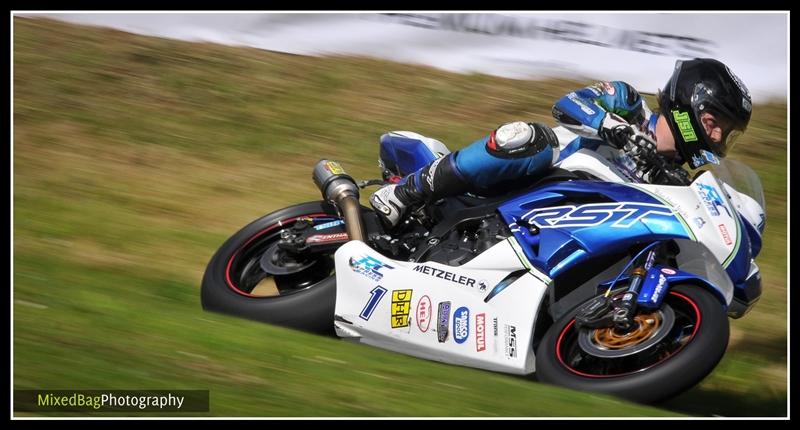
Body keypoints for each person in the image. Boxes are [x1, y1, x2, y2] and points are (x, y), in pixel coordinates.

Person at [370, 58, 753, 228]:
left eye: (727, 132)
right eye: (713, 123)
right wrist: (611, 126)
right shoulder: (626, 101)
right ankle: (406, 193)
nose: (718, 137)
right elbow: (566, 104)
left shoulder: (676, 181)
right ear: (688, 104)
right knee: (525, 137)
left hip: (568, 223)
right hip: (533, 178)